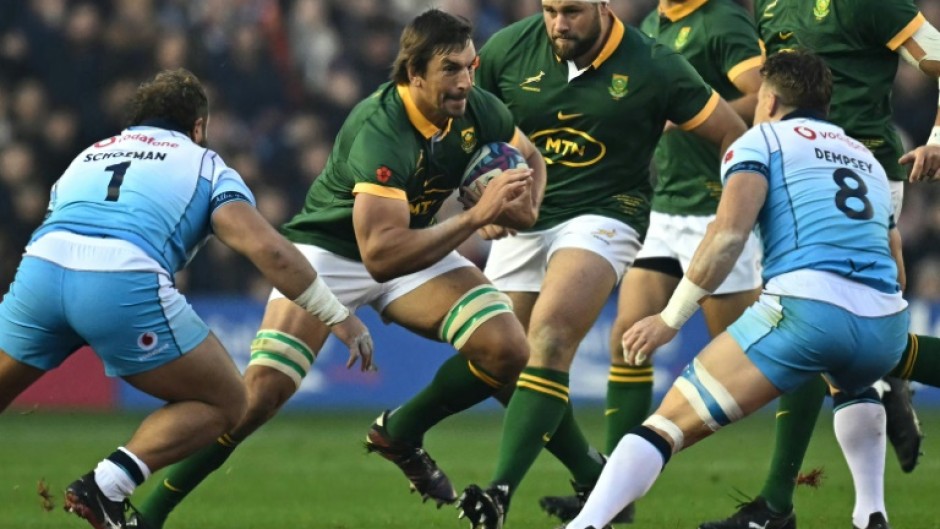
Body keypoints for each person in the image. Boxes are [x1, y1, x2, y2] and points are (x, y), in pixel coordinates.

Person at [130, 10, 546, 529]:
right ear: (414, 74)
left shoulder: (475, 106)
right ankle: (149, 514)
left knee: (507, 347)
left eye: (470, 66)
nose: (465, 80)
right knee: (257, 396)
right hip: (332, 252)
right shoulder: (380, 127)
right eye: (450, 69)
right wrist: (479, 216)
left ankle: (402, 431)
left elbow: (529, 156)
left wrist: (523, 207)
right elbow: (378, 256)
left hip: (412, 242)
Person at [0, 68, 373, 529]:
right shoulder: (204, 163)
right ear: (199, 127)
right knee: (227, 402)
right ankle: (106, 485)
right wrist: (335, 313)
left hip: (40, 268)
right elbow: (269, 249)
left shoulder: (89, 155)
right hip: (120, 279)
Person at [563, 48, 909, 529]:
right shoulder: (866, 158)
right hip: (886, 322)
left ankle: (585, 526)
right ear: (826, 104)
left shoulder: (760, 141)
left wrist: (670, 319)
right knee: (853, 385)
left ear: (767, 98)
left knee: (665, 425)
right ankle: (872, 513)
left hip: (808, 310)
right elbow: (895, 260)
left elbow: (727, 237)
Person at [456, 1, 747, 527]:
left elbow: (731, 130)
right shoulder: (506, 51)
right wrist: (479, 205)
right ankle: (596, 474)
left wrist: (729, 207)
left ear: (603, 5)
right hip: (527, 212)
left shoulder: (654, 64)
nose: (558, 23)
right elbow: (469, 128)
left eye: (571, 11)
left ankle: (498, 492)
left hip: (606, 213)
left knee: (549, 335)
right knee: (500, 357)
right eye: (549, 10)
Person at [700, 2, 940, 528]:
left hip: (860, 172)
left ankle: (778, 506)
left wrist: (938, 137)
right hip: (792, 174)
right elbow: (770, 90)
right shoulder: (766, 4)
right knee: (836, 341)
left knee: (813, 326)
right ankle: (863, 510)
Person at [537, 0, 764, 522]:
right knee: (627, 340)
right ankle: (612, 494)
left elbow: (763, 97)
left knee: (756, 355)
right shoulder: (653, 24)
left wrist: (690, 115)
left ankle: (858, 386)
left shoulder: (720, 20)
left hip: (718, 207)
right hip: (665, 208)